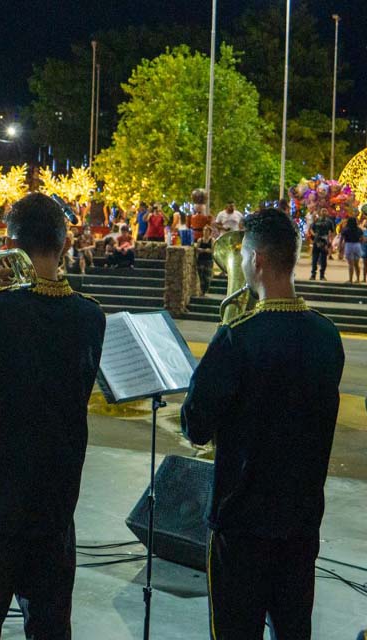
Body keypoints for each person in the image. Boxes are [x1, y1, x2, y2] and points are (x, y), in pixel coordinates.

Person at [0, 193, 105, 639]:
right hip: (53, 499)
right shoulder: (90, 316)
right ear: (65, 246)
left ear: (10, 243)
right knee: (49, 626)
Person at [181, 209, 344, 640]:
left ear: (254, 261)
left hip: (242, 527)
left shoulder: (238, 337)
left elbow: (195, 426)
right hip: (302, 523)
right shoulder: (327, 336)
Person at [308, 209, 334, 281]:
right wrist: (314, 234)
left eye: (325, 211)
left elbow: (331, 231)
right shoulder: (316, 220)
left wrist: (330, 240)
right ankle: (313, 274)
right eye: (322, 211)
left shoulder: (329, 222)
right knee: (314, 259)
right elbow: (311, 229)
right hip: (316, 241)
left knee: (323, 259)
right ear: (320, 212)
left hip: (324, 241)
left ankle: (322, 275)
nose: (324, 212)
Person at [339, 216, 363, 284]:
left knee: (350, 264)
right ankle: (358, 280)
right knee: (356, 264)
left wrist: (340, 247)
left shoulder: (345, 229)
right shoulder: (359, 229)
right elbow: (362, 239)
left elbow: (342, 239)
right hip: (357, 245)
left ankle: (350, 280)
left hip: (349, 245)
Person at [195, 225, 216, 293]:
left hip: (208, 260)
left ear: (209, 232)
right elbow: (197, 249)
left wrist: (205, 250)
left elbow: (212, 250)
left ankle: (205, 290)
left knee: (207, 276)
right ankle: (202, 290)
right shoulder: (200, 240)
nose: (205, 232)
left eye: (207, 230)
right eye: (204, 230)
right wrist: (202, 250)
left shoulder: (212, 240)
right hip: (201, 260)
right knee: (201, 275)